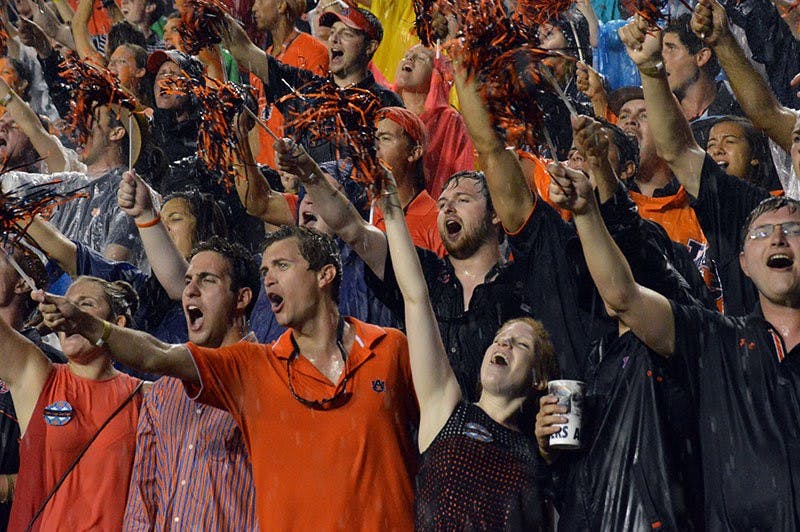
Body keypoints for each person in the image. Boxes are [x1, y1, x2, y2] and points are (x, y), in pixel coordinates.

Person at [34, 225, 419, 530]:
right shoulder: (258, 367)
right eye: (265, 269)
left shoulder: (389, 348)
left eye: (281, 267)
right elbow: (156, 355)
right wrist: (86, 323)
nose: (270, 279)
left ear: (325, 275)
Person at [380, 166, 552, 529]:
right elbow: (415, 297)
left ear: (538, 376)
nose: (502, 343)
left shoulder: (538, 456)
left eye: (519, 343)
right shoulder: (446, 408)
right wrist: (391, 205)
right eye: (500, 338)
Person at [124, 236, 259, 530]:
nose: (190, 292)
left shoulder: (267, 378)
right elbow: (142, 498)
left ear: (242, 298)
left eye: (207, 280)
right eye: (187, 281)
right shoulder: (162, 392)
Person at [7, 277, 144, 531]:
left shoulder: (142, 396)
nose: (68, 313)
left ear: (117, 324)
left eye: (85, 305)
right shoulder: (37, 376)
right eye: (65, 306)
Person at [219, 1, 403, 163]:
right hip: (304, 200)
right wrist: (215, 12)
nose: (334, 39)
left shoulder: (385, 103)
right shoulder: (307, 88)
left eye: (346, 34)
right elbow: (245, 50)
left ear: (370, 47)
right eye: (332, 32)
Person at [0, 242, 63, 531]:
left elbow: (58, 462)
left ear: (22, 285)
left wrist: (8, 485)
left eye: (2, 254)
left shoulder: (49, 364)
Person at [248, 0, 328, 166]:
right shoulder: (260, 60)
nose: (254, 8)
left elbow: (315, 122)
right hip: (265, 175)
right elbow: (256, 124)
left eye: (260, 1)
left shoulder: (314, 52)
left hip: (296, 172)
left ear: (281, 5)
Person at [393, 44, 475, 199]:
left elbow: (461, 173)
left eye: (421, 58)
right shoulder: (383, 106)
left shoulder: (450, 120)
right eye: (407, 55)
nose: (409, 58)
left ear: (436, 75)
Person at [369, 106, 445, 256]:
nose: (374, 147)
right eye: (372, 139)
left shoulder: (436, 222)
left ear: (414, 152)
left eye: (385, 138)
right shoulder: (358, 208)